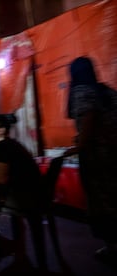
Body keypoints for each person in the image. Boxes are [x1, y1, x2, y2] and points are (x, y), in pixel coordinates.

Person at [0, 114, 45, 268]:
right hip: (34, 194)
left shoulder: (3, 146)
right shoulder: (11, 144)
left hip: (24, 198)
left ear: (2, 130)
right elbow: (3, 178)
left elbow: (1, 179)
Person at [65, 56, 117, 262]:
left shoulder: (81, 92)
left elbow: (88, 120)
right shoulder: (106, 91)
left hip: (98, 158)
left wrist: (78, 146)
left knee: (103, 203)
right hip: (114, 154)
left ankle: (112, 247)